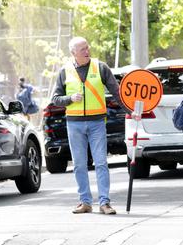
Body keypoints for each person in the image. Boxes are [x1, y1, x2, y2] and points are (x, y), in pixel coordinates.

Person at [51, 37, 130, 215]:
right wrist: (69, 99)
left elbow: (117, 92)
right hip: (74, 124)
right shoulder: (65, 71)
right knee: (79, 164)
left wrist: (130, 111)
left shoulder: (100, 67)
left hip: (96, 123)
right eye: (82, 50)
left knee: (101, 162)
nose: (87, 51)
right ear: (73, 53)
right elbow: (55, 99)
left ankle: (105, 203)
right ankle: (85, 202)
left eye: (87, 47)